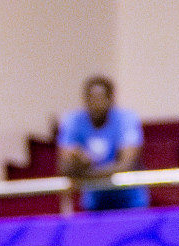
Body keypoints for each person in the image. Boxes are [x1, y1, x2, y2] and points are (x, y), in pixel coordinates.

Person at [57, 75, 149, 211]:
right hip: (94, 203)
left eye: (100, 98)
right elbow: (65, 166)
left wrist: (85, 174)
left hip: (130, 202)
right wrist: (79, 162)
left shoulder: (126, 119)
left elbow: (126, 165)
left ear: (111, 99)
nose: (95, 104)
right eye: (91, 98)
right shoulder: (73, 121)